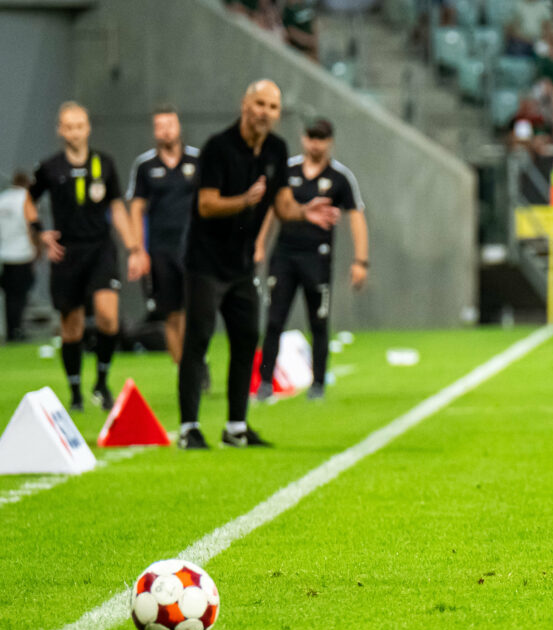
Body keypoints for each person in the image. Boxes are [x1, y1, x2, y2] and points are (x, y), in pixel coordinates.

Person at [177, 80, 340, 450]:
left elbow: (281, 204)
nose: (266, 112)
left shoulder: (276, 149)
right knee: (198, 339)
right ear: (245, 105)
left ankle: (236, 427)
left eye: (273, 107)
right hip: (205, 262)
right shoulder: (218, 147)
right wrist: (244, 201)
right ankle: (189, 428)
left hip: (241, 265)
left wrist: (305, 212)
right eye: (260, 104)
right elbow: (206, 204)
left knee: (247, 338)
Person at [28, 102, 146, 411]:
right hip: (68, 252)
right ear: (60, 130)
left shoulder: (104, 163)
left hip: (100, 248)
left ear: (88, 128)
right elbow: (29, 199)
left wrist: (134, 248)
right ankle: (76, 391)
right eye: (69, 127)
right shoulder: (50, 168)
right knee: (72, 326)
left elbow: (117, 207)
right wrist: (40, 233)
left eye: (79, 126)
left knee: (108, 316)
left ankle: (102, 382)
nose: (75, 132)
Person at [254, 118, 368, 402]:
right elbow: (273, 209)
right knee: (274, 320)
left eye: (321, 139)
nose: (316, 144)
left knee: (318, 321)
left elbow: (356, 216)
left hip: (317, 258)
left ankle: (318, 383)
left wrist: (361, 260)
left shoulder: (340, 177)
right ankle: (266, 382)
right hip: (284, 255)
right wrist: (259, 244)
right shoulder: (288, 170)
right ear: (303, 138)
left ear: (330, 142)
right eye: (311, 137)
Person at [126, 105, 201, 367]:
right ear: (154, 131)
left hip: (193, 249)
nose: (166, 131)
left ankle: (195, 362)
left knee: (195, 310)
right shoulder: (145, 165)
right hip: (160, 250)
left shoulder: (197, 160)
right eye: (160, 126)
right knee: (171, 313)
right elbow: (136, 209)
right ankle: (183, 370)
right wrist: (138, 250)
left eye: (170, 124)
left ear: (179, 126)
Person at [0, 172, 39, 342]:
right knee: (20, 295)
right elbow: (32, 226)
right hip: (23, 254)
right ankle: (17, 329)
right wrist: (37, 249)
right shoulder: (26, 199)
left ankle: (11, 329)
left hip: (5, 254)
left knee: (9, 296)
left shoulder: (2, 199)